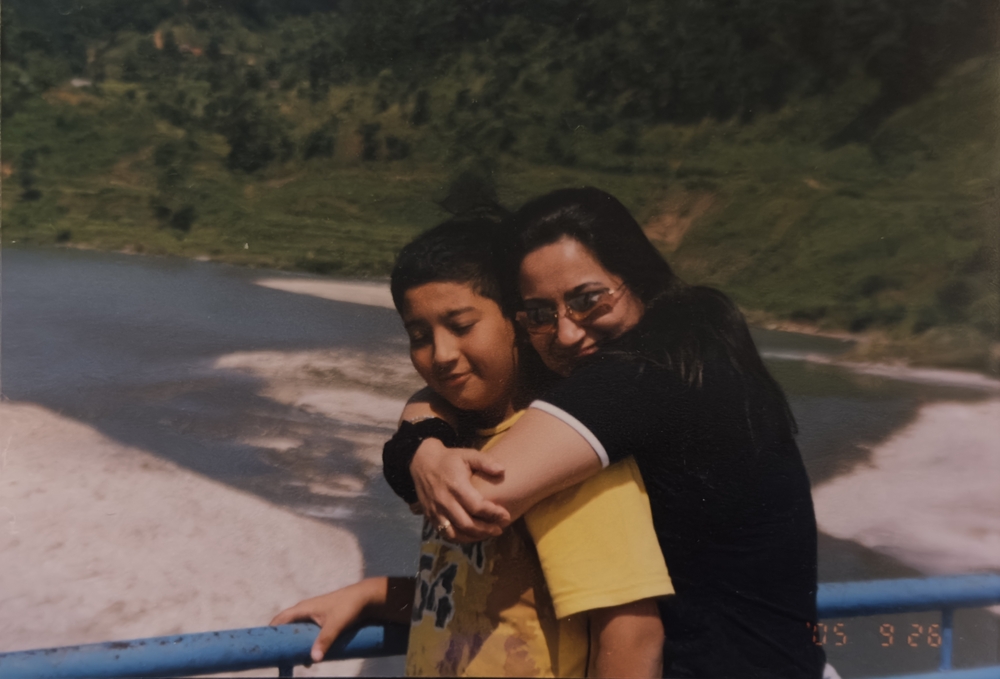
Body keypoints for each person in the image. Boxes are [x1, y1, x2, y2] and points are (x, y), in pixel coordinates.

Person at [385, 188, 827, 678]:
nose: (568, 332)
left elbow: (469, 497)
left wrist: (423, 448)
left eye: (588, 300)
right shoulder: (692, 345)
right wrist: (425, 441)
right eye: (541, 314)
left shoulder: (644, 371)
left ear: (638, 278)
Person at [272, 210, 673, 677]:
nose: (441, 355)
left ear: (520, 323)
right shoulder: (454, 453)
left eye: (461, 326)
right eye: (419, 336)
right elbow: (479, 601)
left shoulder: (560, 460)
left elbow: (631, 634)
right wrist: (372, 595)